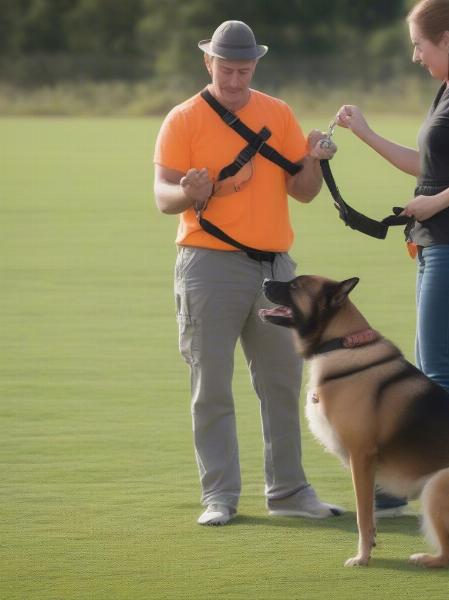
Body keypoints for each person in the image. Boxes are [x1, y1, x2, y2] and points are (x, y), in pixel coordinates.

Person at [153, 20, 344, 526]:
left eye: (245, 70)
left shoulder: (277, 113)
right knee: (211, 384)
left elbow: (302, 191)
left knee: (282, 382)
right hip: (207, 267)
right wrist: (189, 194)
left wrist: (315, 160)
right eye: (227, 70)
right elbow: (162, 197)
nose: (236, 80)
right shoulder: (183, 119)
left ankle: (289, 491)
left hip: (276, 270)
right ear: (208, 63)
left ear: (255, 65)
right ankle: (219, 497)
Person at [336, 0, 449, 513]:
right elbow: (429, 167)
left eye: (418, 44)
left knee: (445, 371)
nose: (415, 55)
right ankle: (412, 480)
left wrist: (434, 203)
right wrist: (365, 135)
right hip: (441, 245)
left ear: (448, 41)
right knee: (435, 369)